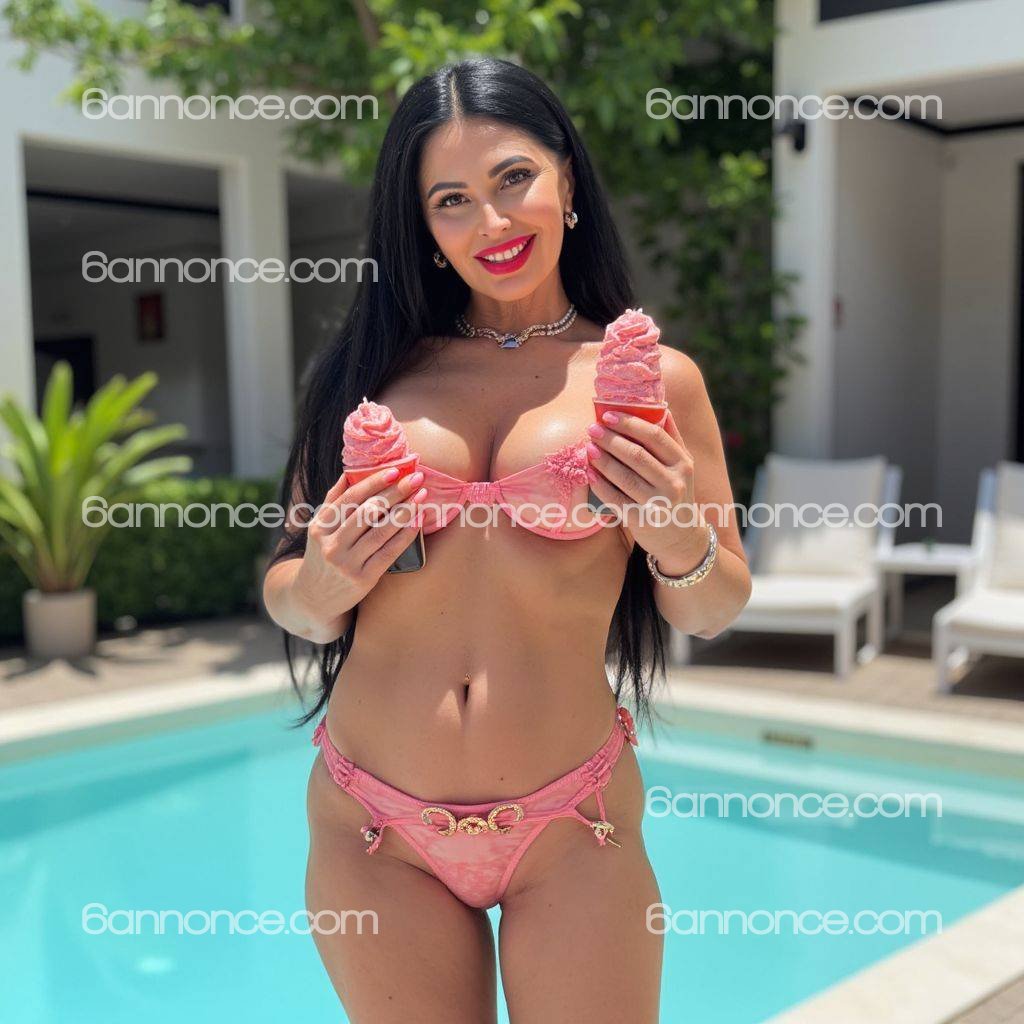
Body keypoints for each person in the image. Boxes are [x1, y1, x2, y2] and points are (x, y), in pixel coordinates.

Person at [263, 56, 751, 1024]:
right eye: (450, 199)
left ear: (566, 179)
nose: (489, 221)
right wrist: (319, 585)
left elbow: (712, 606)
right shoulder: (367, 374)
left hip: (574, 824)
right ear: (424, 227)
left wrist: (674, 536)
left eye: (512, 178)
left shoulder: (655, 380)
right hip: (372, 827)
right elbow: (290, 593)